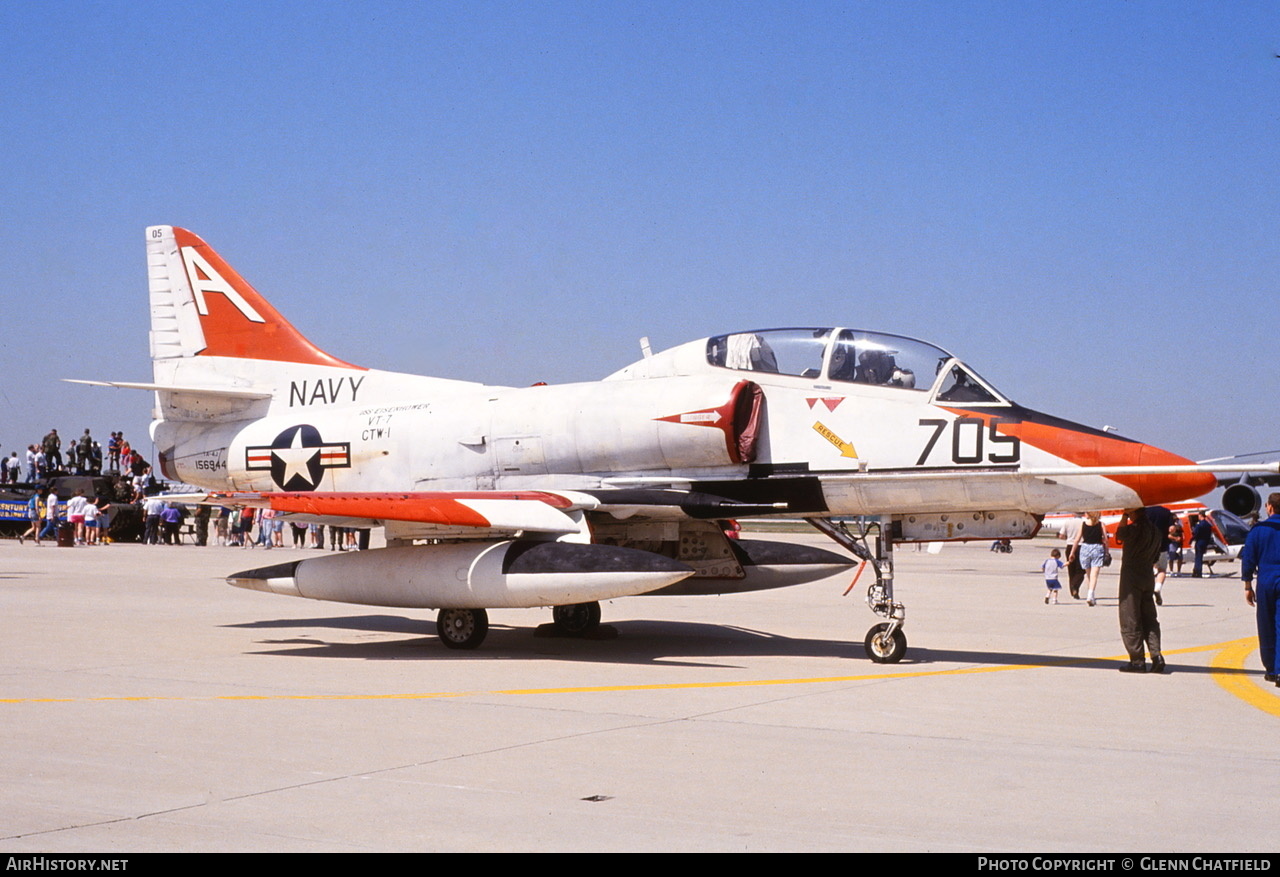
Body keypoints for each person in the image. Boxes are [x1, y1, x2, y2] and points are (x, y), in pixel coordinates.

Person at [1114, 507, 1166, 673]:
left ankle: (1137, 660)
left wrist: (1123, 516)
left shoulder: (1134, 528)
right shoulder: (1156, 531)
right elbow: (1156, 557)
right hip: (1147, 575)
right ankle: (1156, 655)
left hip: (1132, 576)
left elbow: (1120, 535)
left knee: (1130, 617)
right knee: (1149, 617)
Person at [1241, 492, 1280, 686]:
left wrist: (1247, 584)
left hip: (1266, 580)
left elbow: (1248, 560)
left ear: (1270, 507)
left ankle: (1271, 670)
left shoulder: (1259, 530)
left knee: (1266, 626)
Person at [1069, 511, 1108, 606]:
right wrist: (1106, 551)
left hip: (1085, 548)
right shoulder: (1101, 524)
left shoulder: (1083, 525)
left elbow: (1077, 539)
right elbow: (1105, 539)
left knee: (1088, 574)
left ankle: (1090, 595)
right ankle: (1091, 595)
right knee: (1094, 575)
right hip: (1097, 548)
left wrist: (1072, 552)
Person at [1191, 513, 1214, 578]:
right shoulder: (1208, 524)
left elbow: (1196, 533)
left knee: (1198, 557)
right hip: (1204, 542)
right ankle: (1197, 571)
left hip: (1199, 542)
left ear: (1201, 516)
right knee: (1200, 557)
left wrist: (1191, 540)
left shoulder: (1199, 524)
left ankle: (1197, 572)